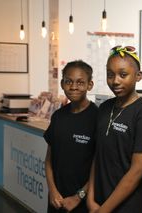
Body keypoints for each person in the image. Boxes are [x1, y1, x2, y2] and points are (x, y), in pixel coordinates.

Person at [87, 46, 142, 213]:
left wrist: (104, 210)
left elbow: (137, 171)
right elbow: (98, 155)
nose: (115, 81)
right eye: (110, 75)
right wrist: (90, 197)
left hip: (127, 204)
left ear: (138, 76)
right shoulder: (104, 108)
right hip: (99, 200)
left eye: (123, 75)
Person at [44, 60, 98, 213]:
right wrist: (52, 190)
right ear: (62, 83)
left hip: (83, 202)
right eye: (68, 81)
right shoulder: (58, 117)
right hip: (57, 200)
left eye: (80, 82)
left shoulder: (98, 118)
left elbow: (99, 165)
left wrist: (78, 196)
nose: (73, 87)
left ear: (90, 85)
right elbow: (48, 160)